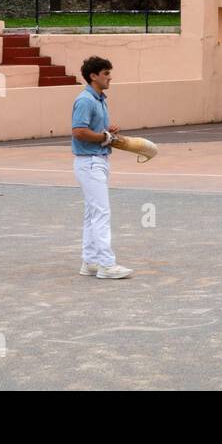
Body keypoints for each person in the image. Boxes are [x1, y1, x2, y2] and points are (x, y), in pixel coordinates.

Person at [70, 56, 133, 280]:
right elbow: (78, 131)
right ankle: (107, 264)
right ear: (93, 76)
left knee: (92, 214)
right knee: (101, 213)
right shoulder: (86, 100)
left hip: (96, 161)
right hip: (90, 162)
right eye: (105, 73)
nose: (110, 77)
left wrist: (107, 131)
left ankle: (90, 262)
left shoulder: (99, 99)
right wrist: (103, 137)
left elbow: (94, 130)